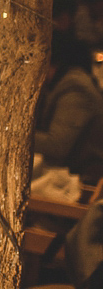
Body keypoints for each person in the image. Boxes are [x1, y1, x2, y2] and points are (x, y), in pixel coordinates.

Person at [35, 31, 103, 184]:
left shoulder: (75, 89)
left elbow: (57, 145)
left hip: (87, 178)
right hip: (74, 173)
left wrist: (15, 135)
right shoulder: (58, 84)